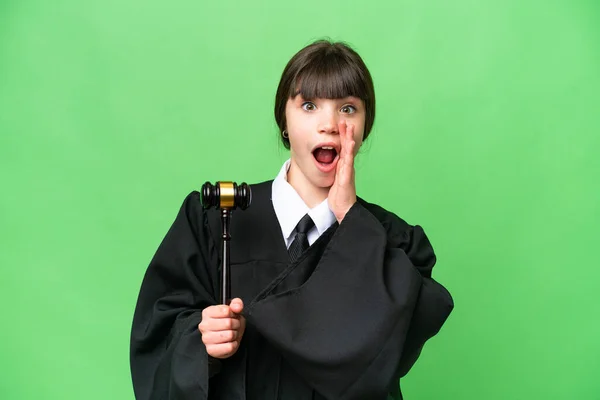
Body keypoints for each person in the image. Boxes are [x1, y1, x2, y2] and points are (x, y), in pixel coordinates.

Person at [130, 39, 454, 400]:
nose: (330, 124)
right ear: (284, 120)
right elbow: (156, 332)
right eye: (309, 105)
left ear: (365, 127)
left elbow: (403, 336)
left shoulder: (390, 239)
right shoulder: (215, 222)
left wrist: (351, 221)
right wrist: (200, 339)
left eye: (348, 108)